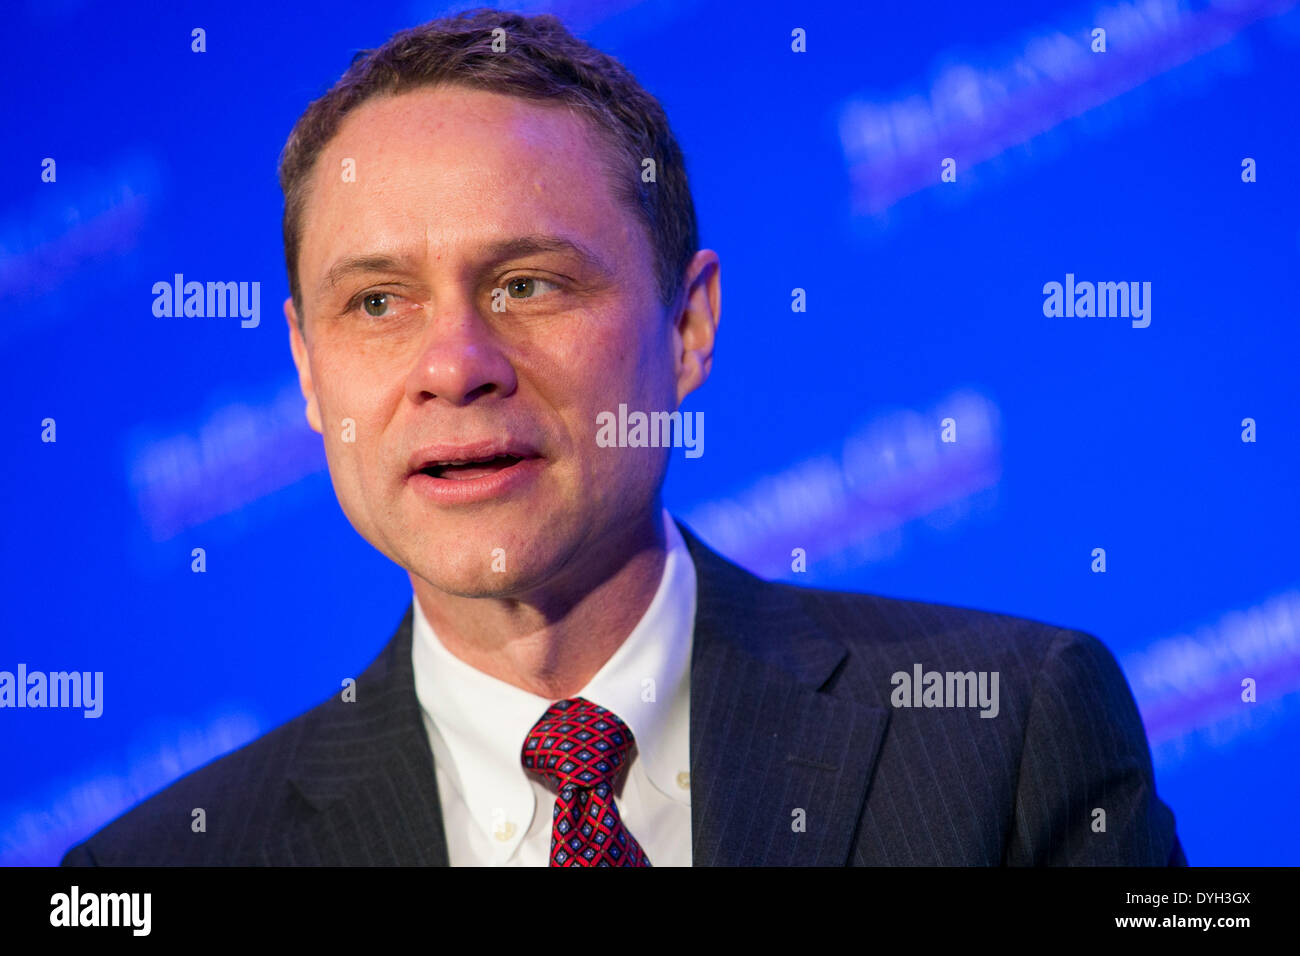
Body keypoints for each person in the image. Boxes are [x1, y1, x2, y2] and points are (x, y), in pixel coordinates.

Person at [61, 7, 1184, 867]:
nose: (455, 366)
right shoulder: (163, 864)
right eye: (377, 303)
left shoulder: (1009, 734)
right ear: (308, 372)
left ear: (687, 326)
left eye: (528, 282)